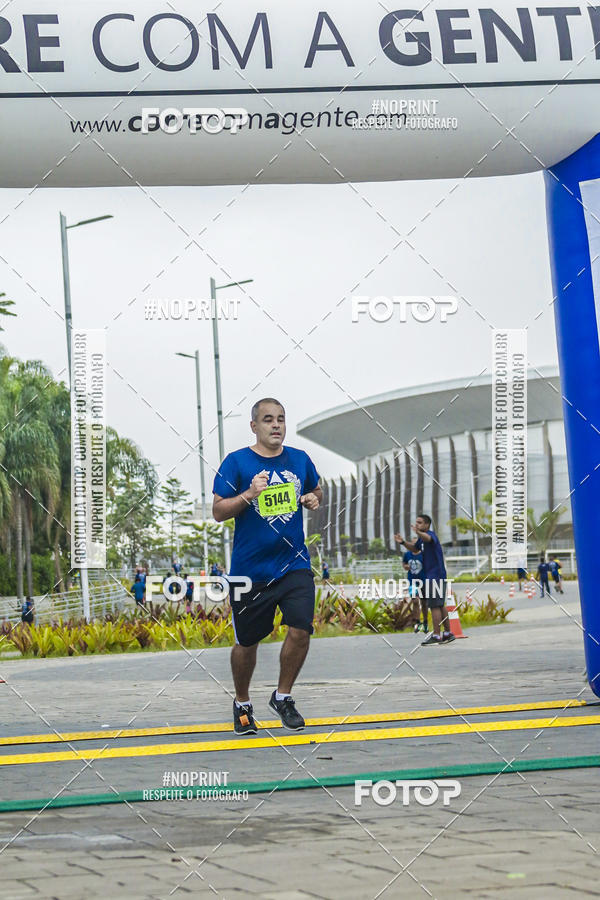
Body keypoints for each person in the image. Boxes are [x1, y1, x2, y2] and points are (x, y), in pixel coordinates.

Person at [212, 398, 322, 735]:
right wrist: (249, 494)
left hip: (294, 564)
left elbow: (316, 487)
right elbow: (218, 510)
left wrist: (313, 498)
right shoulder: (237, 462)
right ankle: (243, 703)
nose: (276, 425)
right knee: (247, 643)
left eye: (281, 419)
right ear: (254, 426)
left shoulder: (300, 460)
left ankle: (283, 696)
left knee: (301, 627)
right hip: (250, 571)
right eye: (268, 420)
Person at [395, 514, 455, 646]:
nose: (417, 525)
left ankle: (436, 635)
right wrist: (403, 542)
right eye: (416, 522)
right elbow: (415, 548)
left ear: (427, 525)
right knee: (439, 605)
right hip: (435, 575)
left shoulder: (430, 535)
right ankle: (447, 633)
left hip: (435, 575)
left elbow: (427, 538)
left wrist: (418, 532)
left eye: (420, 522)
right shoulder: (421, 540)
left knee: (433, 606)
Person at [402, 548, 427, 632]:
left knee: (424, 602)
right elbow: (404, 566)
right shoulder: (407, 554)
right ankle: (417, 622)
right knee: (415, 601)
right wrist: (407, 567)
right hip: (412, 582)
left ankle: (425, 622)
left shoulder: (424, 554)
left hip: (424, 581)